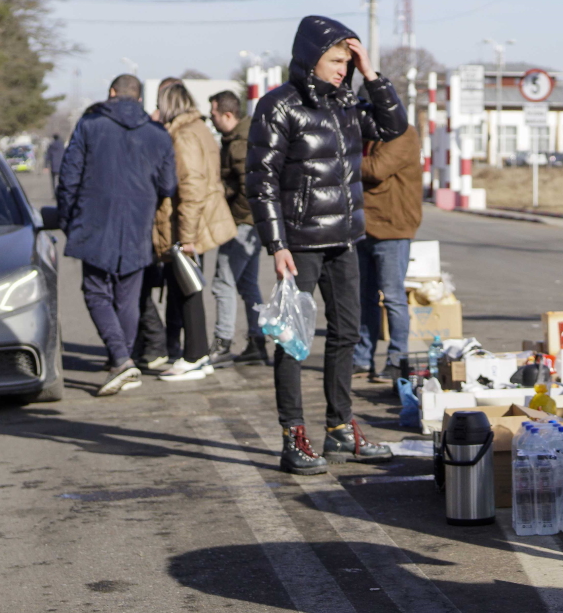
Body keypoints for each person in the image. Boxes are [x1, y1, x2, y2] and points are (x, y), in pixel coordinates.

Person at [247, 15, 407, 474]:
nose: (343, 68)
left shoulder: (347, 103)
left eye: (347, 61)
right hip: (298, 242)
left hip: (345, 239)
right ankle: (293, 436)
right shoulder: (278, 106)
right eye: (335, 59)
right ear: (310, 57)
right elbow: (262, 180)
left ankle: (339, 429)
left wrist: (371, 71)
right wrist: (276, 244)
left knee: (346, 334)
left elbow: (394, 127)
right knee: (293, 340)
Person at [57, 74, 176, 397]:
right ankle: (121, 360)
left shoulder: (90, 125)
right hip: (139, 222)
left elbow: (69, 177)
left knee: (96, 291)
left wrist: (68, 218)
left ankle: (122, 359)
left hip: (93, 220)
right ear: (138, 98)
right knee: (127, 296)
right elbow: (168, 185)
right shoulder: (158, 134)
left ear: (112, 93)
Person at [152, 81, 237, 382]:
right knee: (190, 288)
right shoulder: (198, 128)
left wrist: (185, 237)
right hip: (202, 218)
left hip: (190, 224)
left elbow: (190, 187)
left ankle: (194, 357)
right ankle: (196, 355)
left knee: (188, 289)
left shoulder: (184, 135)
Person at [352, 125, 422, 384]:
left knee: (392, 297)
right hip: (364, 225)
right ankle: (362, 359)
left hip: (393, 227)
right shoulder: (368, 135)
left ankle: (397, 360)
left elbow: (377, 169)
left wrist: (344, 159)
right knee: (364, 298)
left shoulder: (402, 133)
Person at [207, 89, 267, 368]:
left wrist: (234, 220)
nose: (212, 121)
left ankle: (223, 343)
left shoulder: (239, 142)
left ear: (227, 115)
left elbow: (247, 188)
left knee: (223, 282)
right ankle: (256, 342)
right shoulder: (240, 138)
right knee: (247, 284)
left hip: (242, 224)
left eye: (214, 115)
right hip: (250, 223)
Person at [133, 77, 186, 372]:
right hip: (161, 225)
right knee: (158, 287)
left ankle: (165, 345)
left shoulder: (171, 134)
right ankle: (163, 344)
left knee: (175, 289)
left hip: (168, 226)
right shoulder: (163, 131)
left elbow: (173, 184)